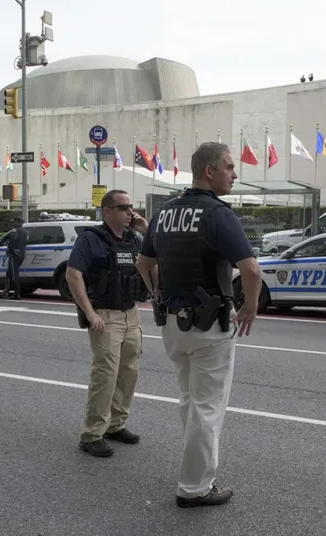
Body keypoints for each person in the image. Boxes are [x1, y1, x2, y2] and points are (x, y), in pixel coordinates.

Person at [134, 141, 262, 508]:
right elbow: (251, 270)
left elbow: (144, 264)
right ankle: (194, 487)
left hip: (173, 324)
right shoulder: (217, 214)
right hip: (210, 327)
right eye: (229, 167)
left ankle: (200, 469)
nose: (234, 174)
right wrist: (249, 309)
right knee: (208, 407)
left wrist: (157, 293)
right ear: (209, 170)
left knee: (190, 401)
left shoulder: (165, 212)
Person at [65, 190, 149, 458]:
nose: (129, 213)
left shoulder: (134, 239)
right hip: (105, 315)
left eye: (131, 207)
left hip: (130, 313)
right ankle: (92, 434)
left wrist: (146, 229)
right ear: (107, 211)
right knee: (106, 375)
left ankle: (116, 424)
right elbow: (73, 275)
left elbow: (152, 264)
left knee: (129, 372)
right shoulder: (91, 239)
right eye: (123, 207)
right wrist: (90, 313)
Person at [0, 217, 29, 300]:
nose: (13, 224)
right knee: (9, 274)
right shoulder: (25, 232)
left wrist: (9, 250)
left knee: (14, 274)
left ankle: (17, 294)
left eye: (14, 222)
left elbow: (12, 242)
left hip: (14, 255)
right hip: (21, 254)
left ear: (18, 222)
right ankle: (6, 292)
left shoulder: (14, 231)